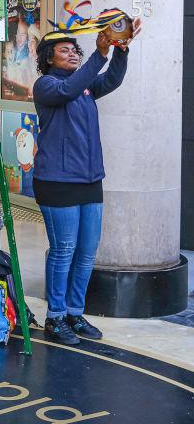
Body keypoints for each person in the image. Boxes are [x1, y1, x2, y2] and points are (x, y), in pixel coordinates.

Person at [33, 20, 140, 346]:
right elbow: (68, 89)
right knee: (63, 250)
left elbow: (112, 79)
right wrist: (100, 52)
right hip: (56, 181)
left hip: (90, 180)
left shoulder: (86, 85)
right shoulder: (46, 85)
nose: (72, 54)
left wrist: (120, 50)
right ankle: (55, 317)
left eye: (74, 50)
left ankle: (74, 313)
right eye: (64, 50)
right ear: (49, 57)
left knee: (87, 251)